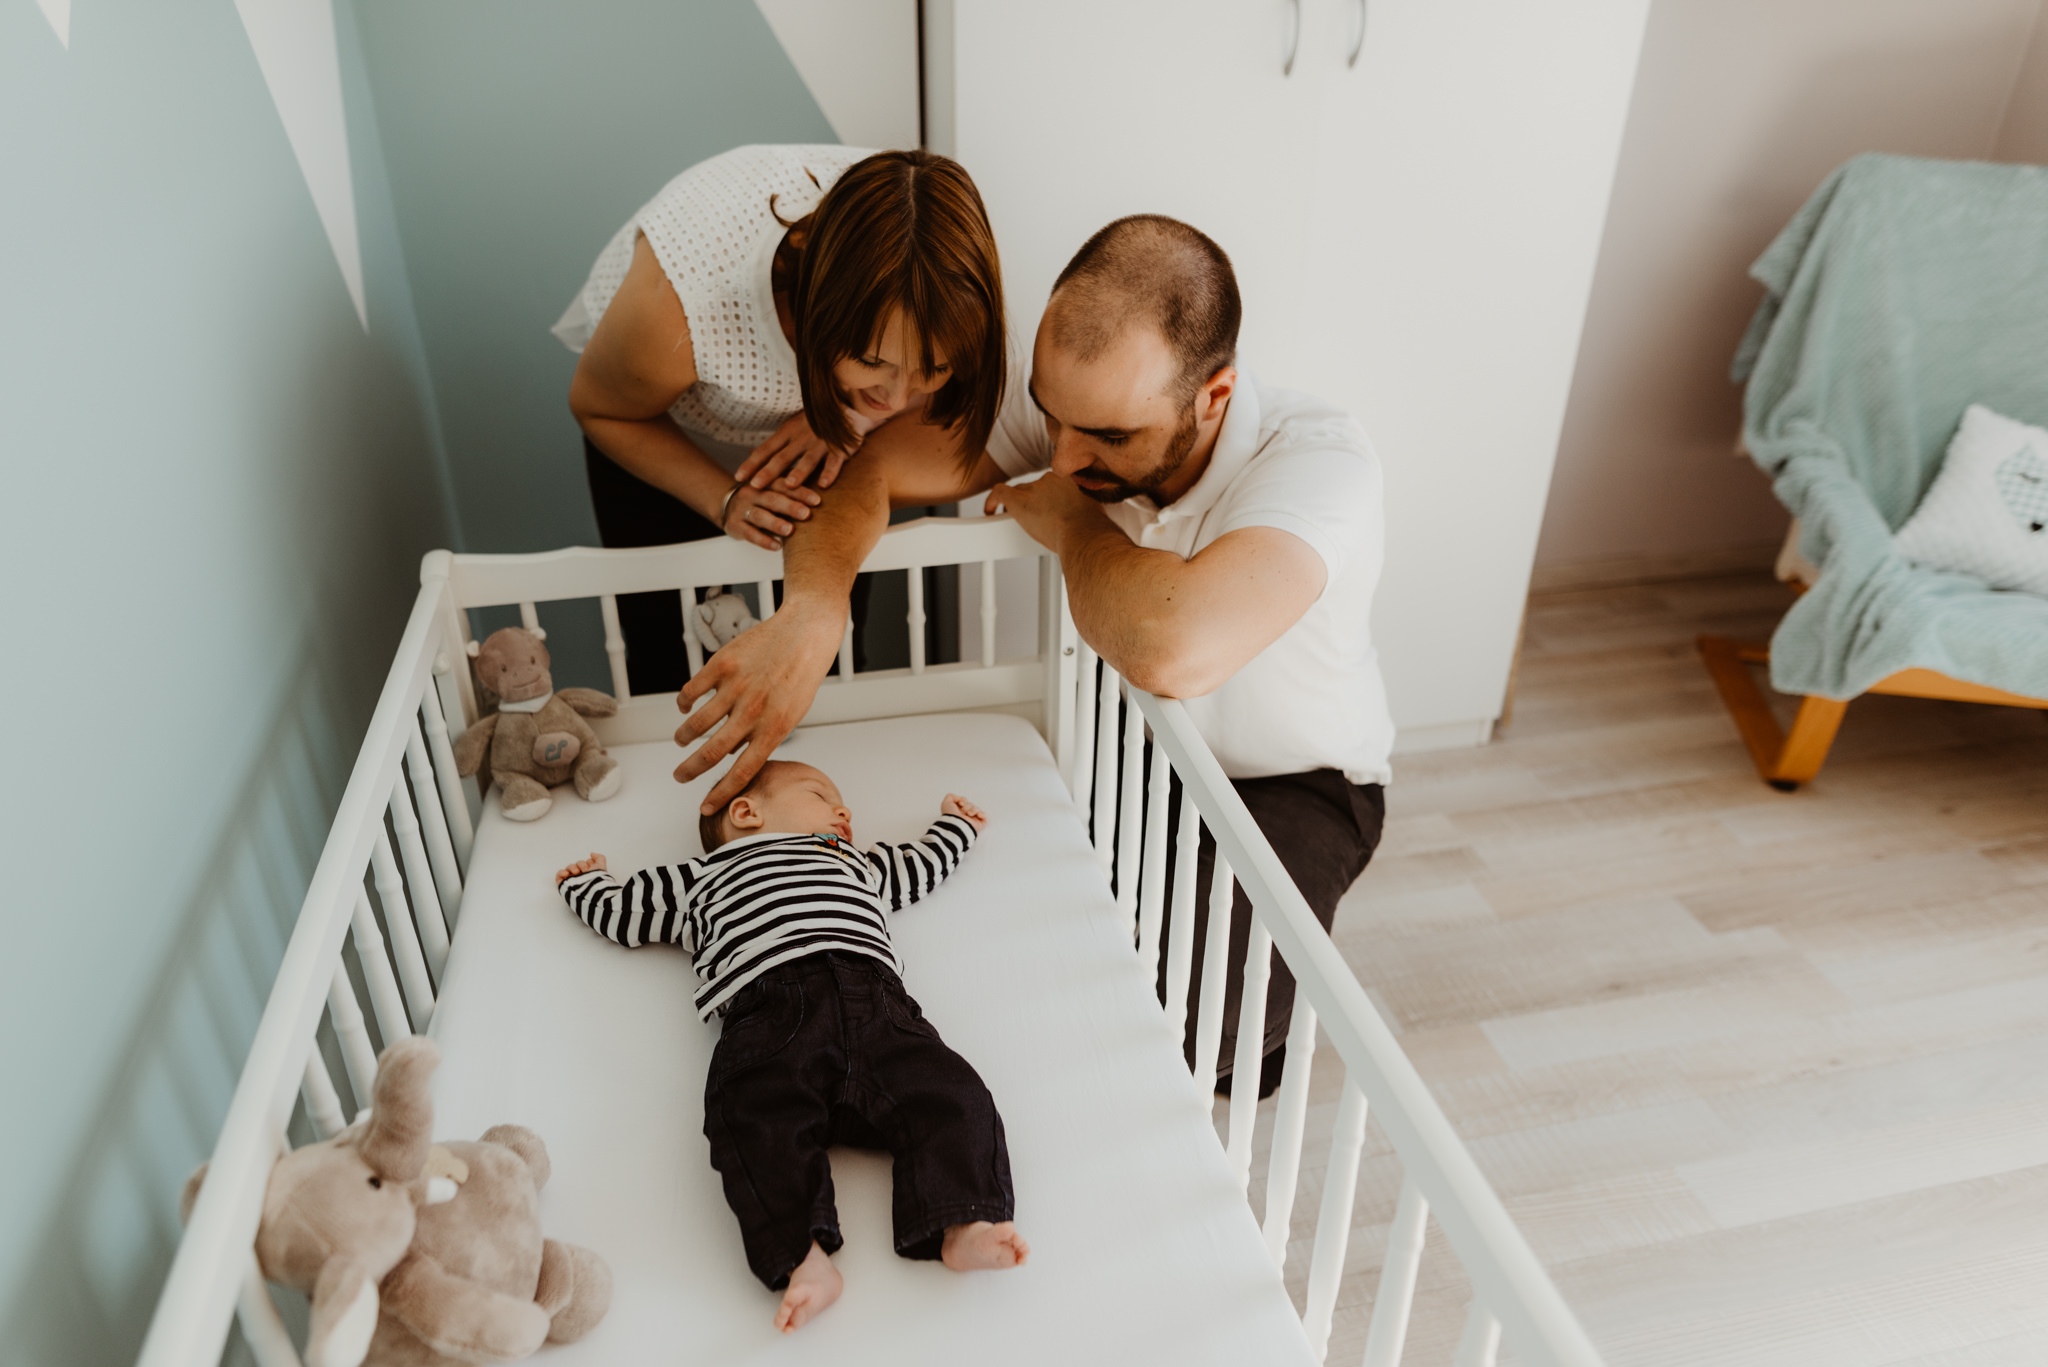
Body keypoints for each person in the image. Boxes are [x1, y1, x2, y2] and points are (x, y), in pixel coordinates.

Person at [673, 215, 1394, 1096]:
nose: (1061, 455)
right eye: (1049, 417)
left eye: (1107, 437)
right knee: (1039, 953)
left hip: (1295, 780)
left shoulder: (1319, 464)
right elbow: (862, 469)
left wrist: (1073, 518)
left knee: (1209, 1024)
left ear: (1213, 398)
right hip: (1142, 754)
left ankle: (1263, 1030)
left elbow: (1174, 647)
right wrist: (814, 613)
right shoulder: (1073, 419)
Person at [553, 762, 1025, 1334]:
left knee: (953, 1095)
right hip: (769, 1013)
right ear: (747, 813)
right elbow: (627, 913)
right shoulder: (701, 876)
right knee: (749, 1116)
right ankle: (804, 1258)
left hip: (878, 1006)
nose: (845, 811)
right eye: (822, 795)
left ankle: (964, 1221)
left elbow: (915, 870)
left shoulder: (852, 860)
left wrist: (953, 830)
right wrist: (586, 885)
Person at [554, 145, 1006, 694]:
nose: (899, 398)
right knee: (666, 663)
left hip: (815, 428)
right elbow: (598, 407)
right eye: (871, 362)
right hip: (655, 429)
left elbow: (906, 387)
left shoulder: (939, 272)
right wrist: (726, 500)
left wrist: (848, 413)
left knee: (827, 658)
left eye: (931, 369)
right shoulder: (686, 298)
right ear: (819, 313)